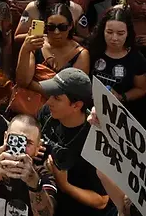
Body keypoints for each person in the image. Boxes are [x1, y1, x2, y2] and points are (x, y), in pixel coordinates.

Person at [35, 67, 110, 216]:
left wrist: (65, 185)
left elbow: (102, 201)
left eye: (57, 98)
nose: (49, 102)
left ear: (76, 105)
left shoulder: (95, 140)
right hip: (46, 199)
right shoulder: (48, 113)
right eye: (51, 95)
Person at [0, 114, 57, 216]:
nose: (20, 147)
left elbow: (47, 214)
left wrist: (34, 183)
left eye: (28, 143)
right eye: (14, 139)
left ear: (38, 148)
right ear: (5, 138)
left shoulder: (43, 176)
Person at [88, 8, 146, 111]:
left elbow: (141, 89)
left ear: (128, 33)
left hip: (120, 111)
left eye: (120, 33)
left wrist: (121, 97)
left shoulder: (137, 59)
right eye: (109, 32)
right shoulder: (92, 51)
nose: (114, 38)